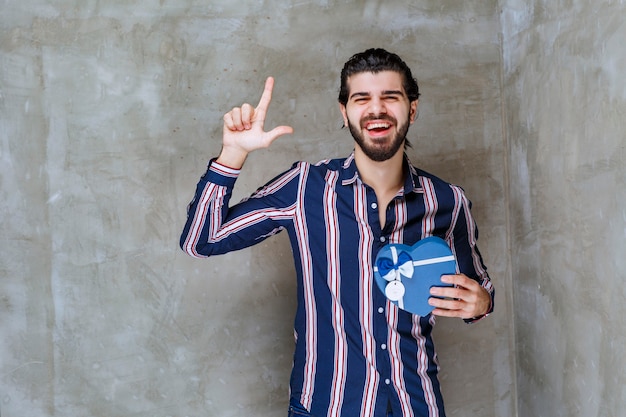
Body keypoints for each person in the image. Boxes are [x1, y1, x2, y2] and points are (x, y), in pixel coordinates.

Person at [180, 48, 494, 417]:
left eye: (390, 97)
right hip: (325, 406)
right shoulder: (305, 188)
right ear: (344, 113)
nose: (376, 110)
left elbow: (476, 289)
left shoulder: (448, 201)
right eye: (362, 99)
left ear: (412, 108)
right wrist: (232, 155)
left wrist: (482, 304)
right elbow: (201, 239)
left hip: (416, 404)